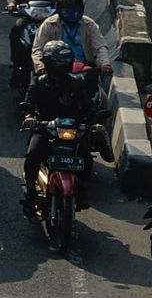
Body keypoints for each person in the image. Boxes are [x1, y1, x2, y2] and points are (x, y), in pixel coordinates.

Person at [20, 41, 102, 216]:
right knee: (33, 154)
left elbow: (88, 107)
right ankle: (30, 192)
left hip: (72, 129)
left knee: (85, 154)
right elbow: (28, 102)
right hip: (46, 128)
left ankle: (82, 188)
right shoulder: (39, 82)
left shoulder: (76, 83)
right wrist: (30, 117)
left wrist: (93, 123)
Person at [34, 0, 113, 86]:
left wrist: (105, 64)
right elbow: (38, 49)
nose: (71, 15)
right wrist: (40, 67)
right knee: (37, 87)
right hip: (57, 71)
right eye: (66, 11)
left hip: (84, 70)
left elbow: (100, 47)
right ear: (59, 10)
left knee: (100, 97)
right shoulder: (49, 24)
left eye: (74, 11)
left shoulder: (89, 24)